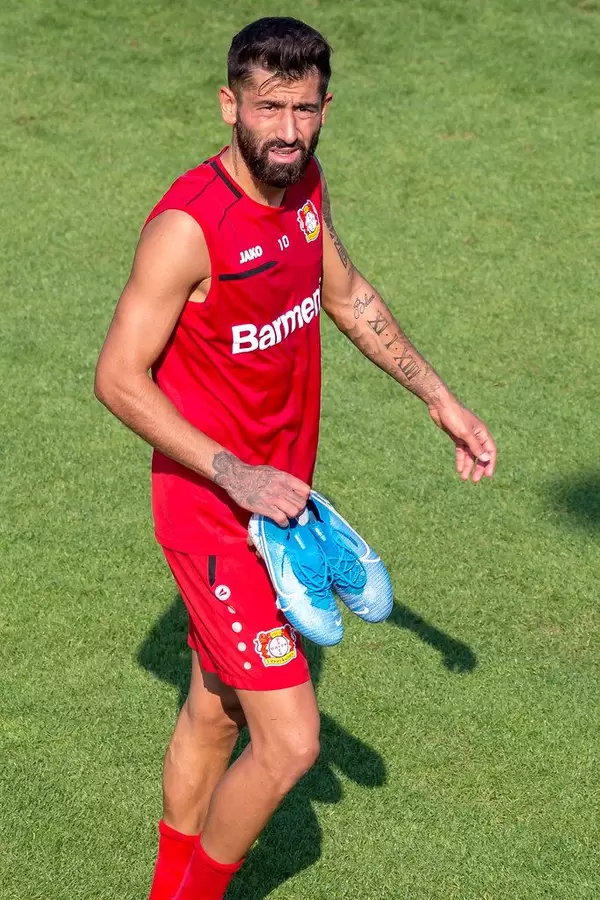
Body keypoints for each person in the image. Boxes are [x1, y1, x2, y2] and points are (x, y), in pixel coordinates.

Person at [94, 16, 497, 900]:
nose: (286, 130)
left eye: (304, 109)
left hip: (281, 507)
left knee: (215, 708)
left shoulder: (305, 188)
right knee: (292, 744)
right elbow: (119, 379)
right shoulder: (187, 229)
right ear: (228, 103)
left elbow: (347, 296)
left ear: (325, 108)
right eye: (268, 107)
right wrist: (234, 472)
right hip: (212, 514)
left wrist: (440, 400)